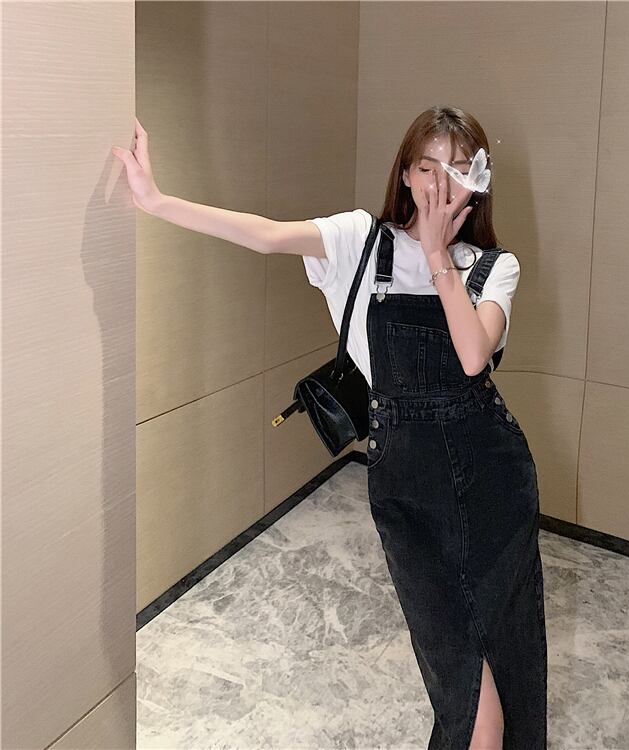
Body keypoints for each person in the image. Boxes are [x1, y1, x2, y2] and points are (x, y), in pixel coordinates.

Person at [113, 105, 547, 750]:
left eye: (459, 169)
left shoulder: (492, 266)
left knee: (510, 665)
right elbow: (265, 235)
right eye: (427, 167)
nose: (441, 184)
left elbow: (472, 356)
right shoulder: (360, 241)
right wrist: (155, 201)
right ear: (405, 174)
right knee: (463, 686)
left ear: (478, 183)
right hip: (408, 487)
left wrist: (437, 256)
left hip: (493, 480)